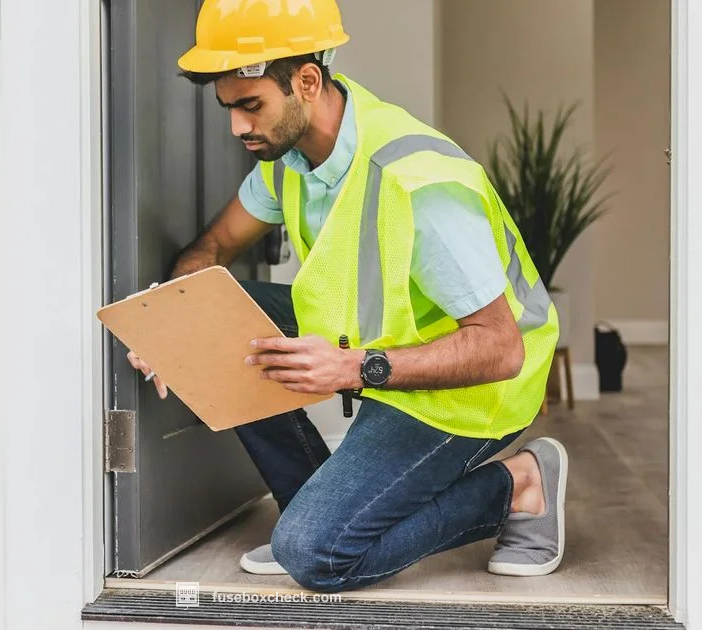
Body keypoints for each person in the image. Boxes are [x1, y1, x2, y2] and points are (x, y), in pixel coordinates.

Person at [126, 0, 567, 593]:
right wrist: (174, 323)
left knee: (315, 554)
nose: (237, 127)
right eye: (229, 107)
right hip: (382, 348)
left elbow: (502, 349)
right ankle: (315, 505)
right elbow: (215, 244)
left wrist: (355, 368)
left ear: (307, 81)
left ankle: (521, 484)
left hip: (473, 388)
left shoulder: (417, 183)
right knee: (220, 316)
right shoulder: (289, 159)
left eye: (251, 105)